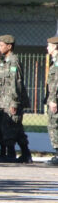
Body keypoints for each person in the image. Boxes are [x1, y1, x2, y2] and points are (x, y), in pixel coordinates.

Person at [0, 35, 32, 163]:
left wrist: (14, 102)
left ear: (9, 46)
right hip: (5, 100)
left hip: (12, 101)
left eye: (1, 45)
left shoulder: (13, 61)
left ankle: (11, 154)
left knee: (11, 127)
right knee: (15, 128)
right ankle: (25, 154)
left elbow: (16, 83)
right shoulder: (5, 61)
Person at [45, 37, 58, 166]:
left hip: (56, 99)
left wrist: (53, 100)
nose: (47, 48)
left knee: (54, 125)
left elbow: (56, 83)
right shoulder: (55, 61)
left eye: (49, 45)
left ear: (55, 46)